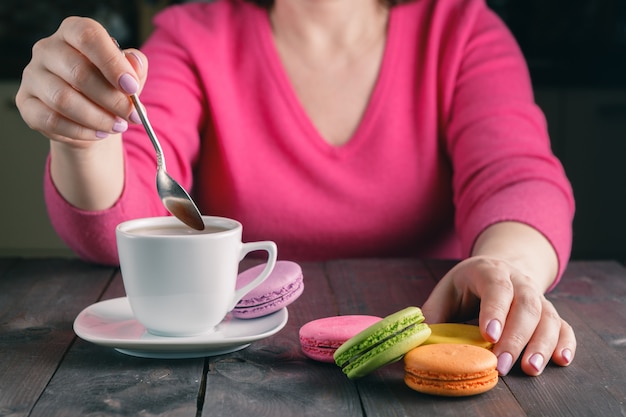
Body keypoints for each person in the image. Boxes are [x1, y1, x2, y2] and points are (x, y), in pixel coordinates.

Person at [16, 0, 576, 377]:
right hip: (236, 367)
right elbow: (128, 213)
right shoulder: (195, 34)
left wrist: (508, 267)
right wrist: (84, 136)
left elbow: (520, 177)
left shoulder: (461, 29)